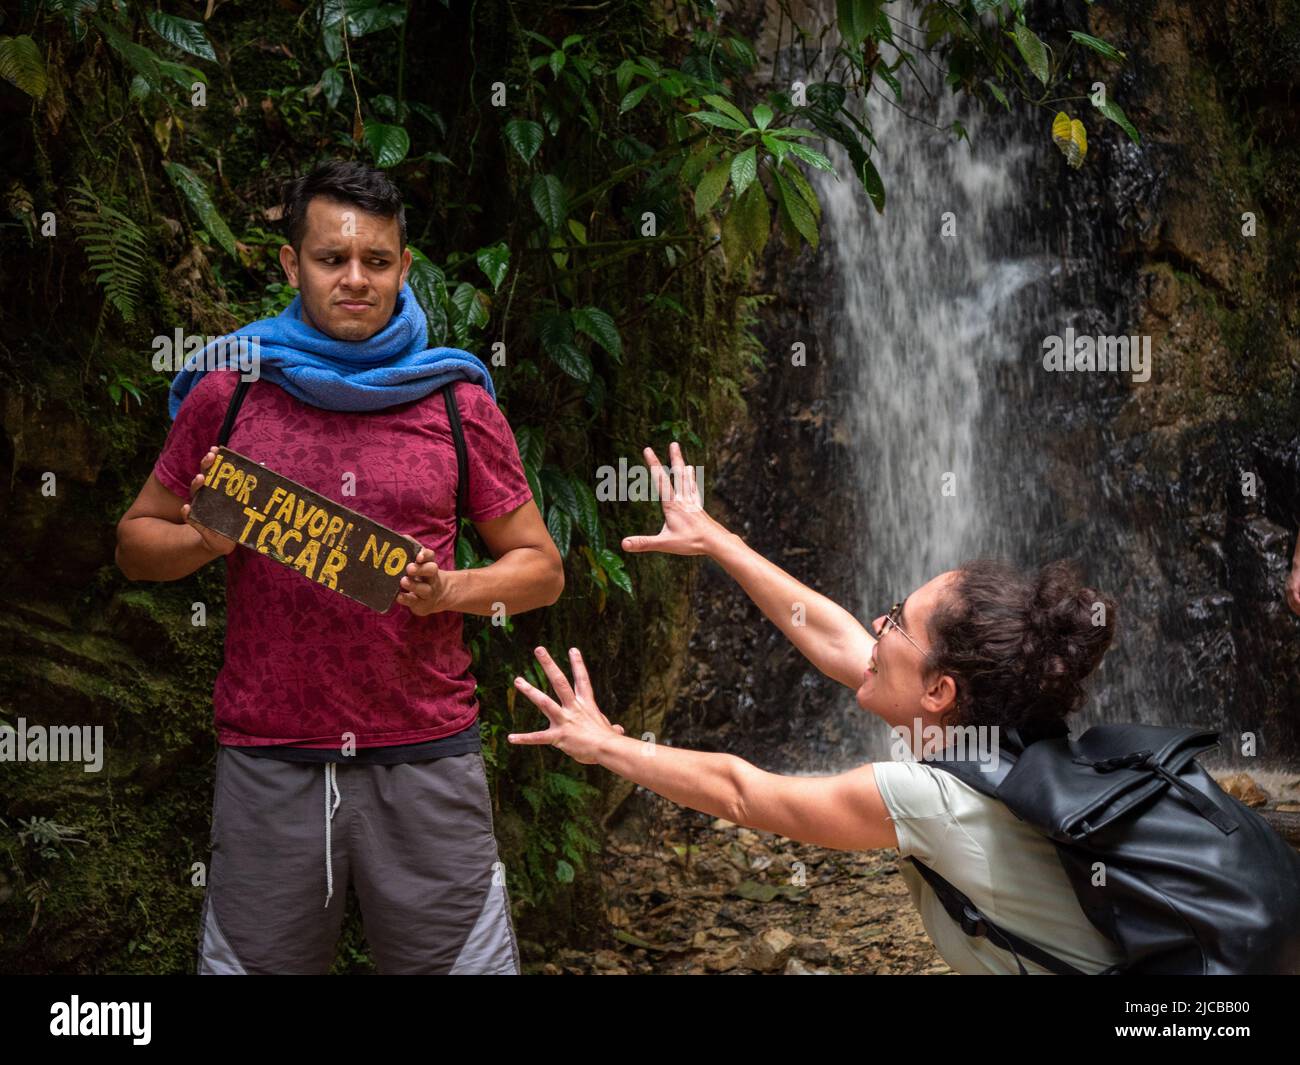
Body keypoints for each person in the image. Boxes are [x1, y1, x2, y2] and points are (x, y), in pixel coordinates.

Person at [116, 159, 562, 974]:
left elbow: (540, 568)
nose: (355, 280)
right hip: (269, 761)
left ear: (404, 266)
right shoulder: (235, 391)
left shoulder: (456, 402)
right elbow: (135, 541)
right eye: (331, 259)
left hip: (427, 756)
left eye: (378, 262)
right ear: (292, 265)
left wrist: (451, 589)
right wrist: (205, 540)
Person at [508, 441, 1129, 975]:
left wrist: (604, 744)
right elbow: (837, 640)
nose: (877, 625)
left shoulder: (931, 799)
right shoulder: (1005, 730)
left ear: (939, 692)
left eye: (897, 623)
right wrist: (715, 539)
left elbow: (740, 795)